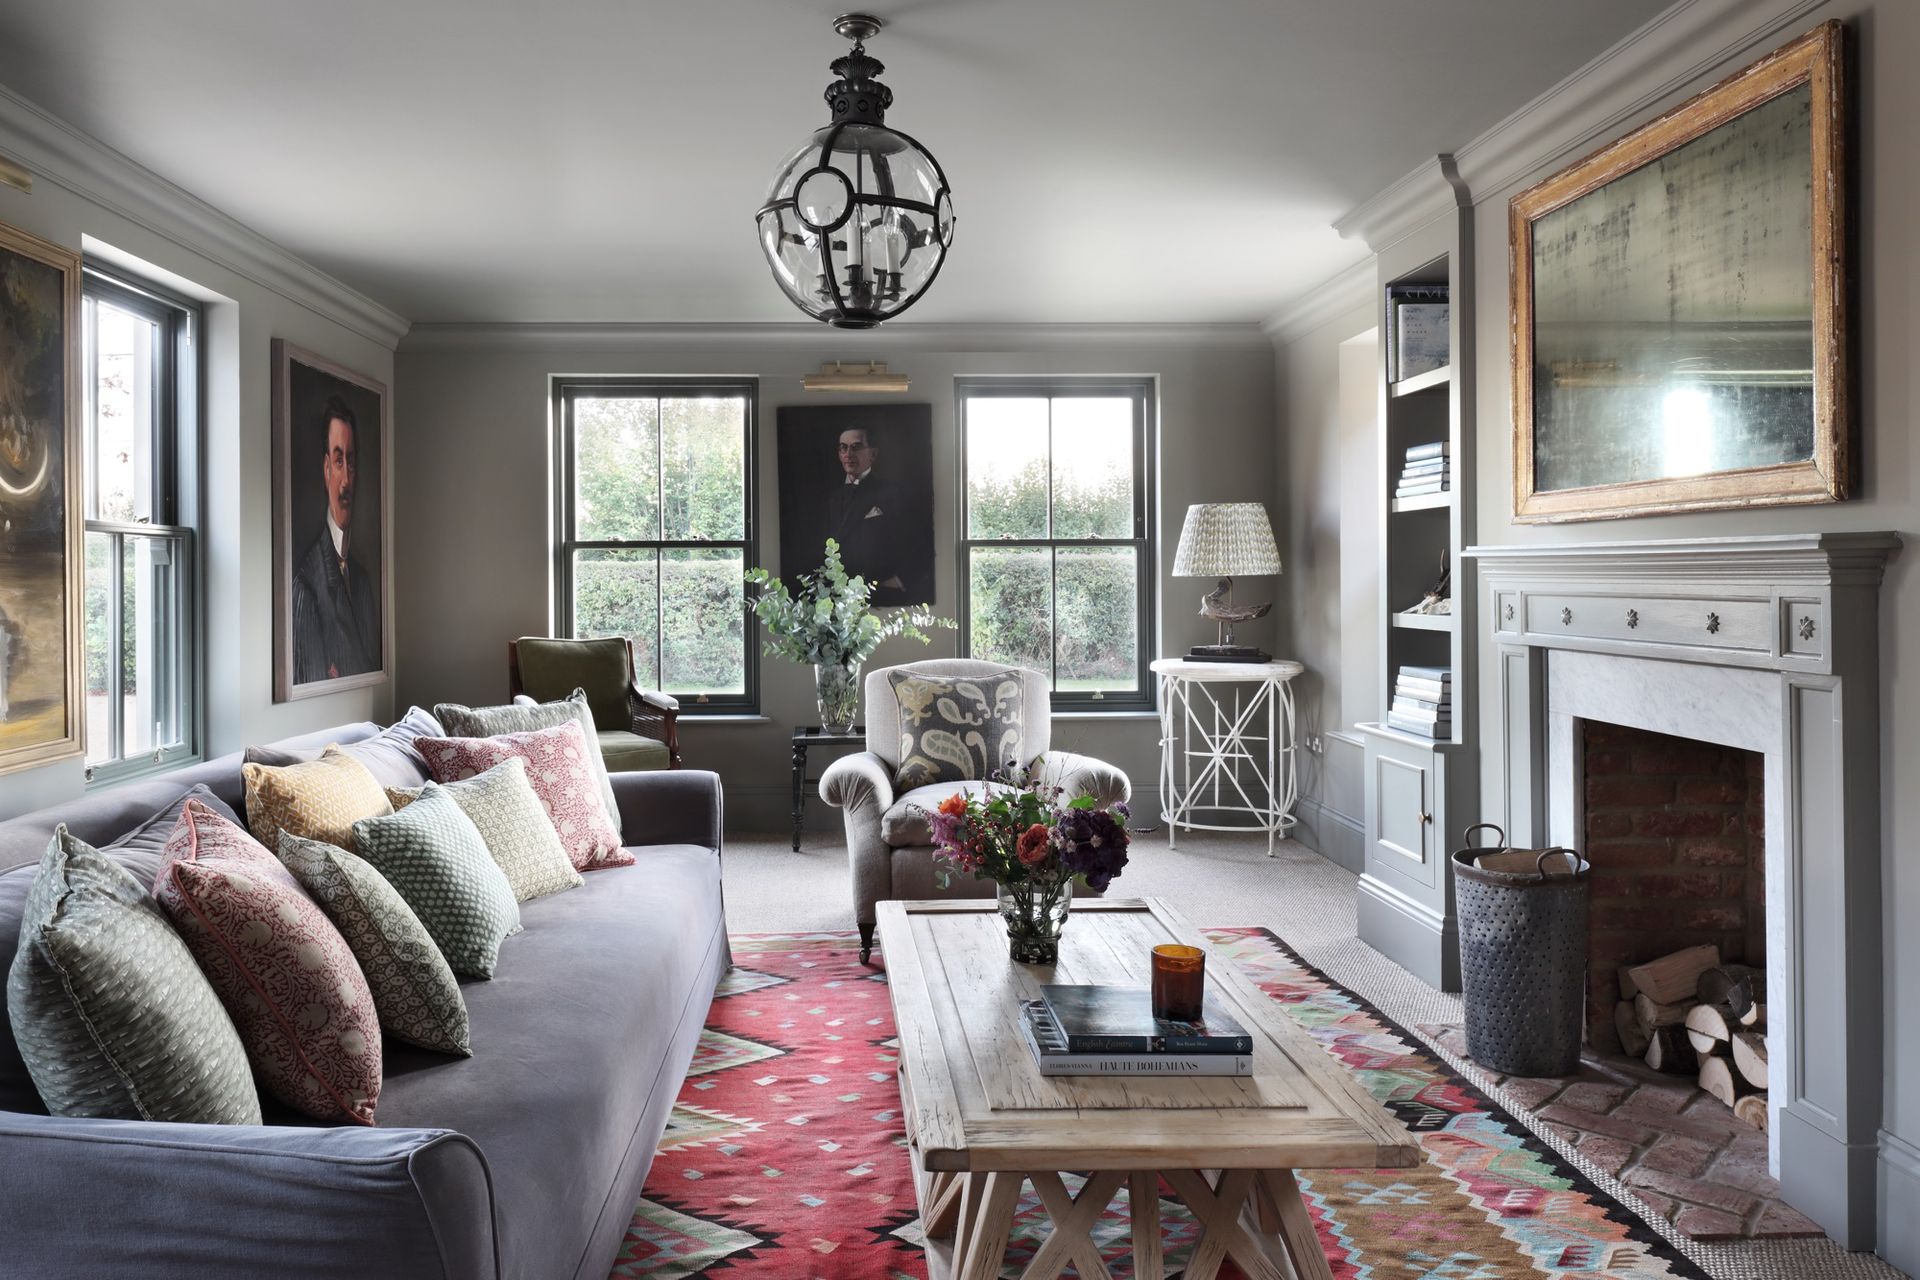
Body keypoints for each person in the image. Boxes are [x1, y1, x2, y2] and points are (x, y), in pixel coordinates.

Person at [290, 396, 380, 684]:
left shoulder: (363, 583)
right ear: (326, 468)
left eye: (350, 463)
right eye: (339, 460)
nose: (346, 482)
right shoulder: (306, 587)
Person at [823, 426, 911, 601]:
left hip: (880, 593)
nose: (848, 454)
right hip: (836, 595)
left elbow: (913, 542)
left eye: (856, 447)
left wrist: (899, 580)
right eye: (843, 448)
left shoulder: (892, 493)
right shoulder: (830, 497)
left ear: (873, 454)